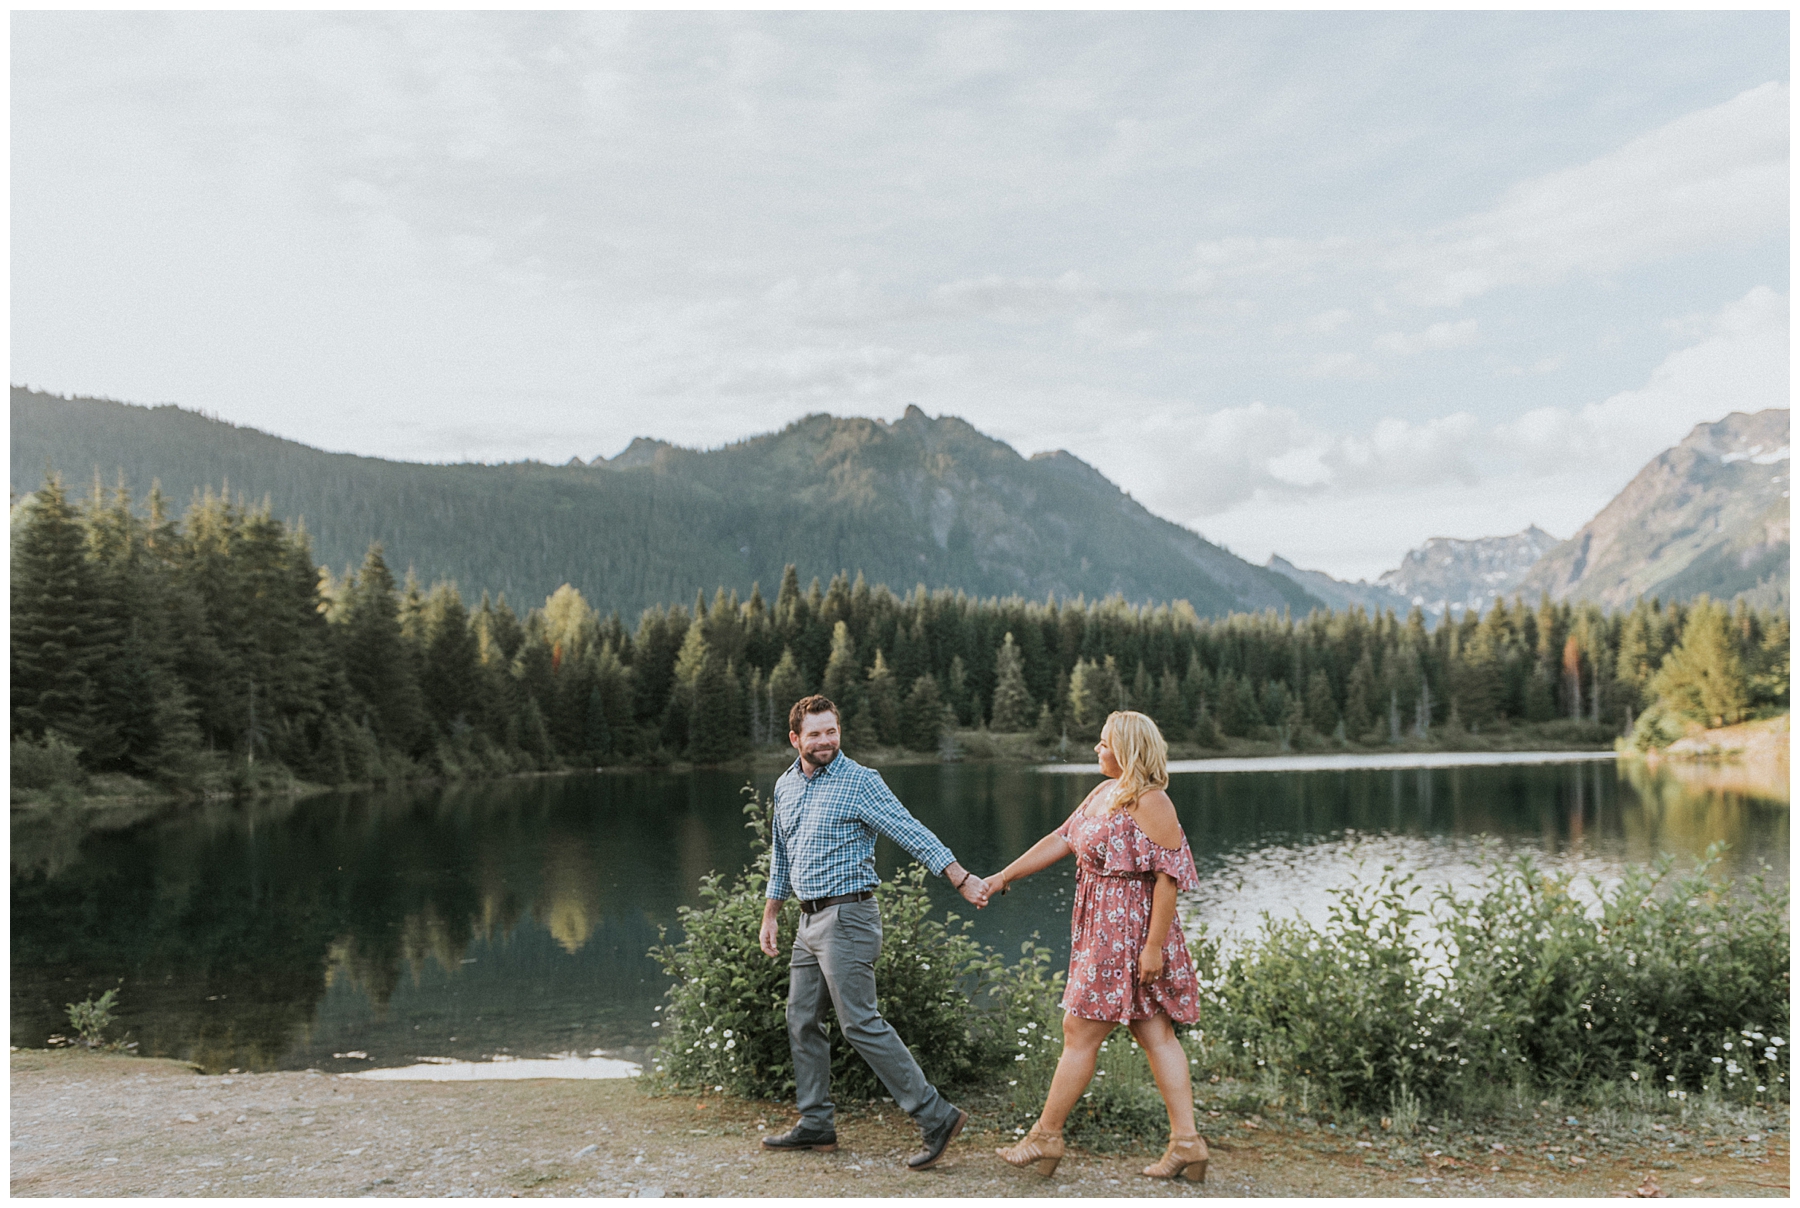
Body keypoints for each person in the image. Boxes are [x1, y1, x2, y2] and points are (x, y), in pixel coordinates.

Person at [758, 693, 991, 1171]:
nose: (825, 741)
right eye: (815, 734)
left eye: (832, 731)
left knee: (860, 1023)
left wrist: (960, 876)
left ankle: (936, 1116)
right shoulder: (785, 786)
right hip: (806, 921)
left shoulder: (860, 782)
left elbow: (909, 830)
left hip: (848, 917)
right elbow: (782, 855)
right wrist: (770, 913)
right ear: (795, 738)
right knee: (802, 1020)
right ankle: (816, 1123)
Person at [985, 710, 1209, 1182]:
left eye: (1104, 743)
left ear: (1127, 749)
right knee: (1154, 1032)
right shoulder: (1106, 791)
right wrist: (1004, 876)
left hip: (1129, 933)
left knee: (1079, 1030)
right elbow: (1061, 838)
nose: (1096, 749)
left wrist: (1152, 949)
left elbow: (1169, 880)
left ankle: (1047, 1135)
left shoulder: (1152, 801)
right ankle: (1187, 1143)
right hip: (1102, 929)